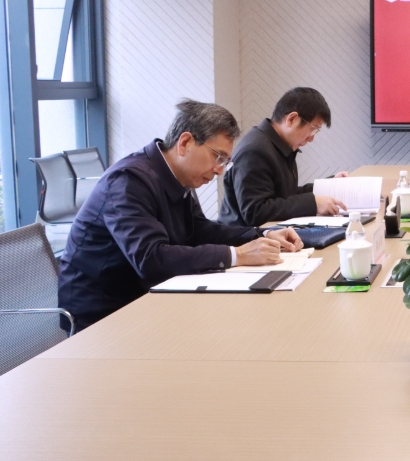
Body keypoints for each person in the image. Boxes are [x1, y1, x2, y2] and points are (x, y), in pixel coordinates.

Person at [58, 100, 304, 332]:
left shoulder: (177, 176)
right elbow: (151, 259)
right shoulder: (128, 181)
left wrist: (261, 234)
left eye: (225, 162)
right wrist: (238, 255)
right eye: (217, 157)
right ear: (185, 142)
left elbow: (199, 230)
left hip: (149, 297)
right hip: (104, 314)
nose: (219, 170)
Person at [220, 87, 350, 227]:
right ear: (292, 119)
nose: (311, 138)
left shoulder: (278, 145)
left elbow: (286, 195)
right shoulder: (254, 150)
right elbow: (255, 212)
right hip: (245, 237)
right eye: (313, 129)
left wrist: (330, 186)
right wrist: (313, 204)